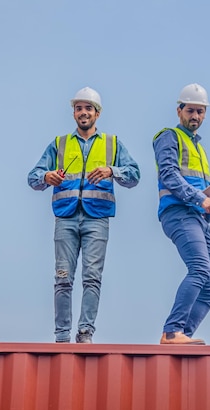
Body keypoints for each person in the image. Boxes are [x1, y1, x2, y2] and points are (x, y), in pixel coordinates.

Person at [28, 87, 140, 344]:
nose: (83, 112)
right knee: (63, 278)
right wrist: (47, 176)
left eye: (88, 108)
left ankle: (85, 333)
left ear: (97, 113)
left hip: (96, 219)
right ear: (74, 113)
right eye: (79, 108)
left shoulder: (112, 144)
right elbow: (33, 178)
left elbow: (134, 175)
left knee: (92, 277)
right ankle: (62, 337)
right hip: (66, 218)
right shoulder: (60, 144)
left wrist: (112, 171)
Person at [153, 83, 210, 345]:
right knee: (199, 268)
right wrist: (201, 198)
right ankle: (172, 332)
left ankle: (182, 337)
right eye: (191, 111)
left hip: (198, 218)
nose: (195, 116)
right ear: (179, 110)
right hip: (179, 213)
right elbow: (169, 175)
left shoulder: (199, 148)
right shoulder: (169, 137)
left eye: (200, 112)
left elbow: (194, 184)